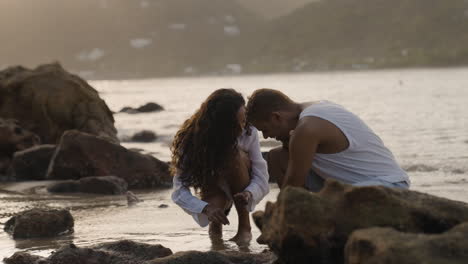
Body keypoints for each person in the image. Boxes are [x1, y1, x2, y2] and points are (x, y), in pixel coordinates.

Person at [246, 88, 410, 191]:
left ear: (276, 117)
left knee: (318, 199)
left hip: (387, 186)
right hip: (356, 185)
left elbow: (292, 188)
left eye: (265, 130)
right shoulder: (317, 106)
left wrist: (275, 220)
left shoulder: (307, 128)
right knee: (276, 157)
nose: (266, 137)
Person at [171, 88, 269, 244]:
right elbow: (178, 190)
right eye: (234, 124)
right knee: (214, 207)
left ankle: (245, 227)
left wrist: (249, 193)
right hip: (213, 185)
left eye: (243, 120)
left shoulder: (249, 131)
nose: (242, 128)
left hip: (241, 180)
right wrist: (205, 208)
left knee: (234, 154)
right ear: (219, 126)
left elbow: (261, 176)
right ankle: (215, 227)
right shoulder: (192, 140)